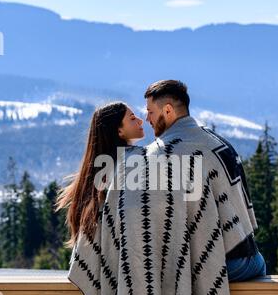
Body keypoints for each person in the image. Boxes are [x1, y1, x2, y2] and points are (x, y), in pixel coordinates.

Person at [144, 79, 266, 282]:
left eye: (150, 112)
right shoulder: (219, 143)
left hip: (222, 265)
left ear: (167, 111)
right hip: (251, 258)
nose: (146, 118)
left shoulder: (160, 153)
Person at [55, 101, 144, 249]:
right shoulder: (128, 165)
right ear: (119, 131)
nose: (141, 120)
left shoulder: (101, 171)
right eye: (132, 118)